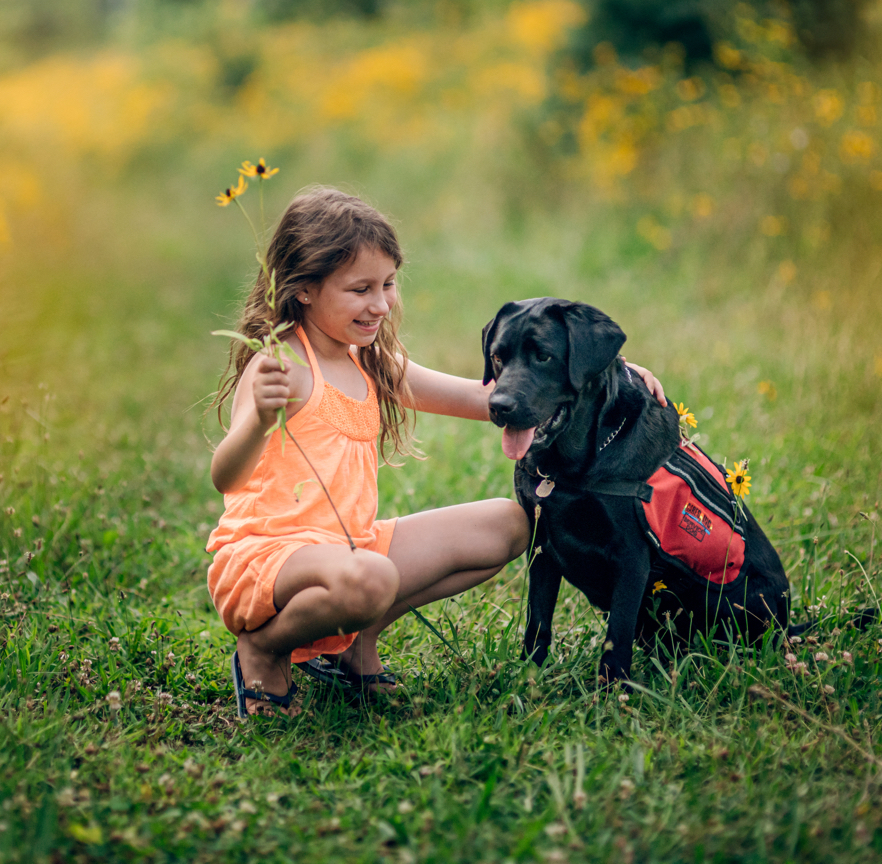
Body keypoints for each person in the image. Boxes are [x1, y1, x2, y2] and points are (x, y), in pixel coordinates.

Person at [208, 187, 666, 717]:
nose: (380, 304)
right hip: (267, 558)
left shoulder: (371, 361)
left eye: (388, 284)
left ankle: (356, 646)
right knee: (371, 578)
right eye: (360, 289)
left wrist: (610, 370)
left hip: (353, 550)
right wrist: (260, 421)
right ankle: (264, 649)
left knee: (510, 524)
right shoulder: (282, 365)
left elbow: (486, 396)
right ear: (305, 289)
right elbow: (225, 476)